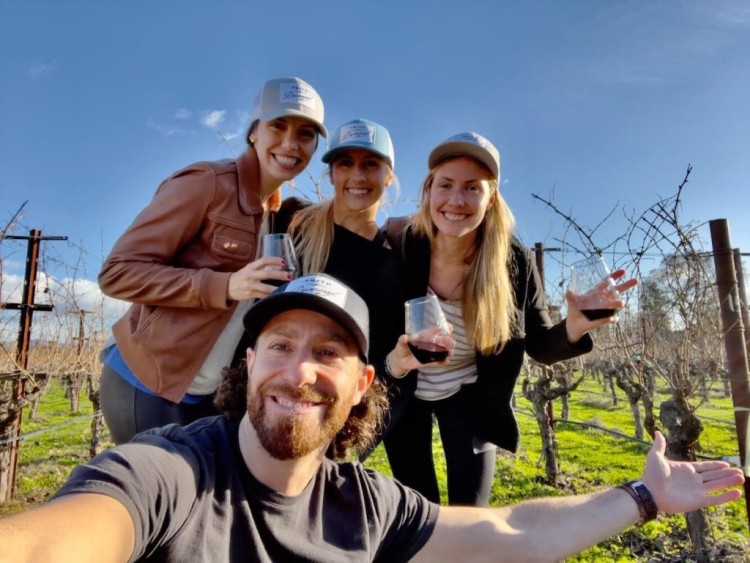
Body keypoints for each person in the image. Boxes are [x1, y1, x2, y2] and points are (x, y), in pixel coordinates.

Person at [0, 274, 742, 563]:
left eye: (327, 351)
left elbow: (516, 531)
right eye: (280, 345)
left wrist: (644, 496)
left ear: (362, 385)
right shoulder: (167, 474)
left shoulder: (365, 505)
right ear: (247, 366)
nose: (300, 369)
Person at [381, 132, 639, 506]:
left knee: (471, 513)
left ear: (491, 199)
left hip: (470, 393)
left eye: (472, 188)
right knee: (416, 510)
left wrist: (576, 326)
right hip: (405, 392)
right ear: (428, 192)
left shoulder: (512, 261)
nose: (456, 200)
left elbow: (540, 345)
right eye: (446, 185)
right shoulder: (398, 243)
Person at [97, 77, 328, 443]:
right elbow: (117, 273)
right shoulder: (207, 183)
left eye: (305, 134)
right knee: (156, 500)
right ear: (254, 132)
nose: (290, 144)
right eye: (278, 126)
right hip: (147, 382)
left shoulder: (275, 212)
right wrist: (225, 285)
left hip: (205, 393)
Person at [270, 118, 411, 451]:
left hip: (326, 415)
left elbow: (377, 359)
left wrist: (349, 434)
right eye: (345, 163)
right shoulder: (292, 223)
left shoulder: (393, 267)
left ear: (388, 176)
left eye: (371, 164)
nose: (357, 176)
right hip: (269, 392)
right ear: (331, 174)